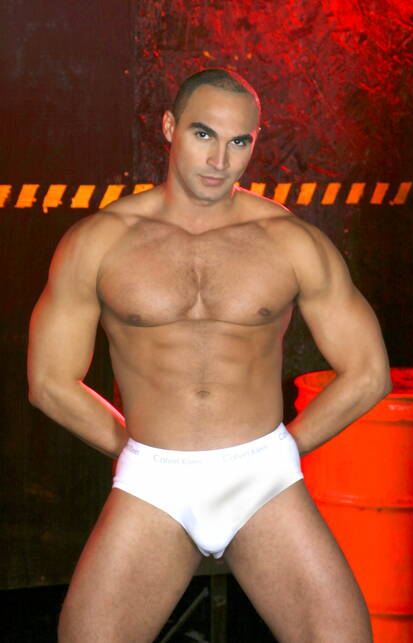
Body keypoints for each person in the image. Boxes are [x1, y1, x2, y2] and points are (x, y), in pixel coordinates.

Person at [28, 68, 391, 642]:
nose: (220, 159)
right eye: (203, 134)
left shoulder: (288, 239)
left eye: (238, 141)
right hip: (154, 480)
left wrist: (279, 453)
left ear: (254, 142)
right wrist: (137, 452)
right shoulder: (100, 240)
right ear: (169, 127)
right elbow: (50, 381)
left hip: (263, 476)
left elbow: (368, 373)